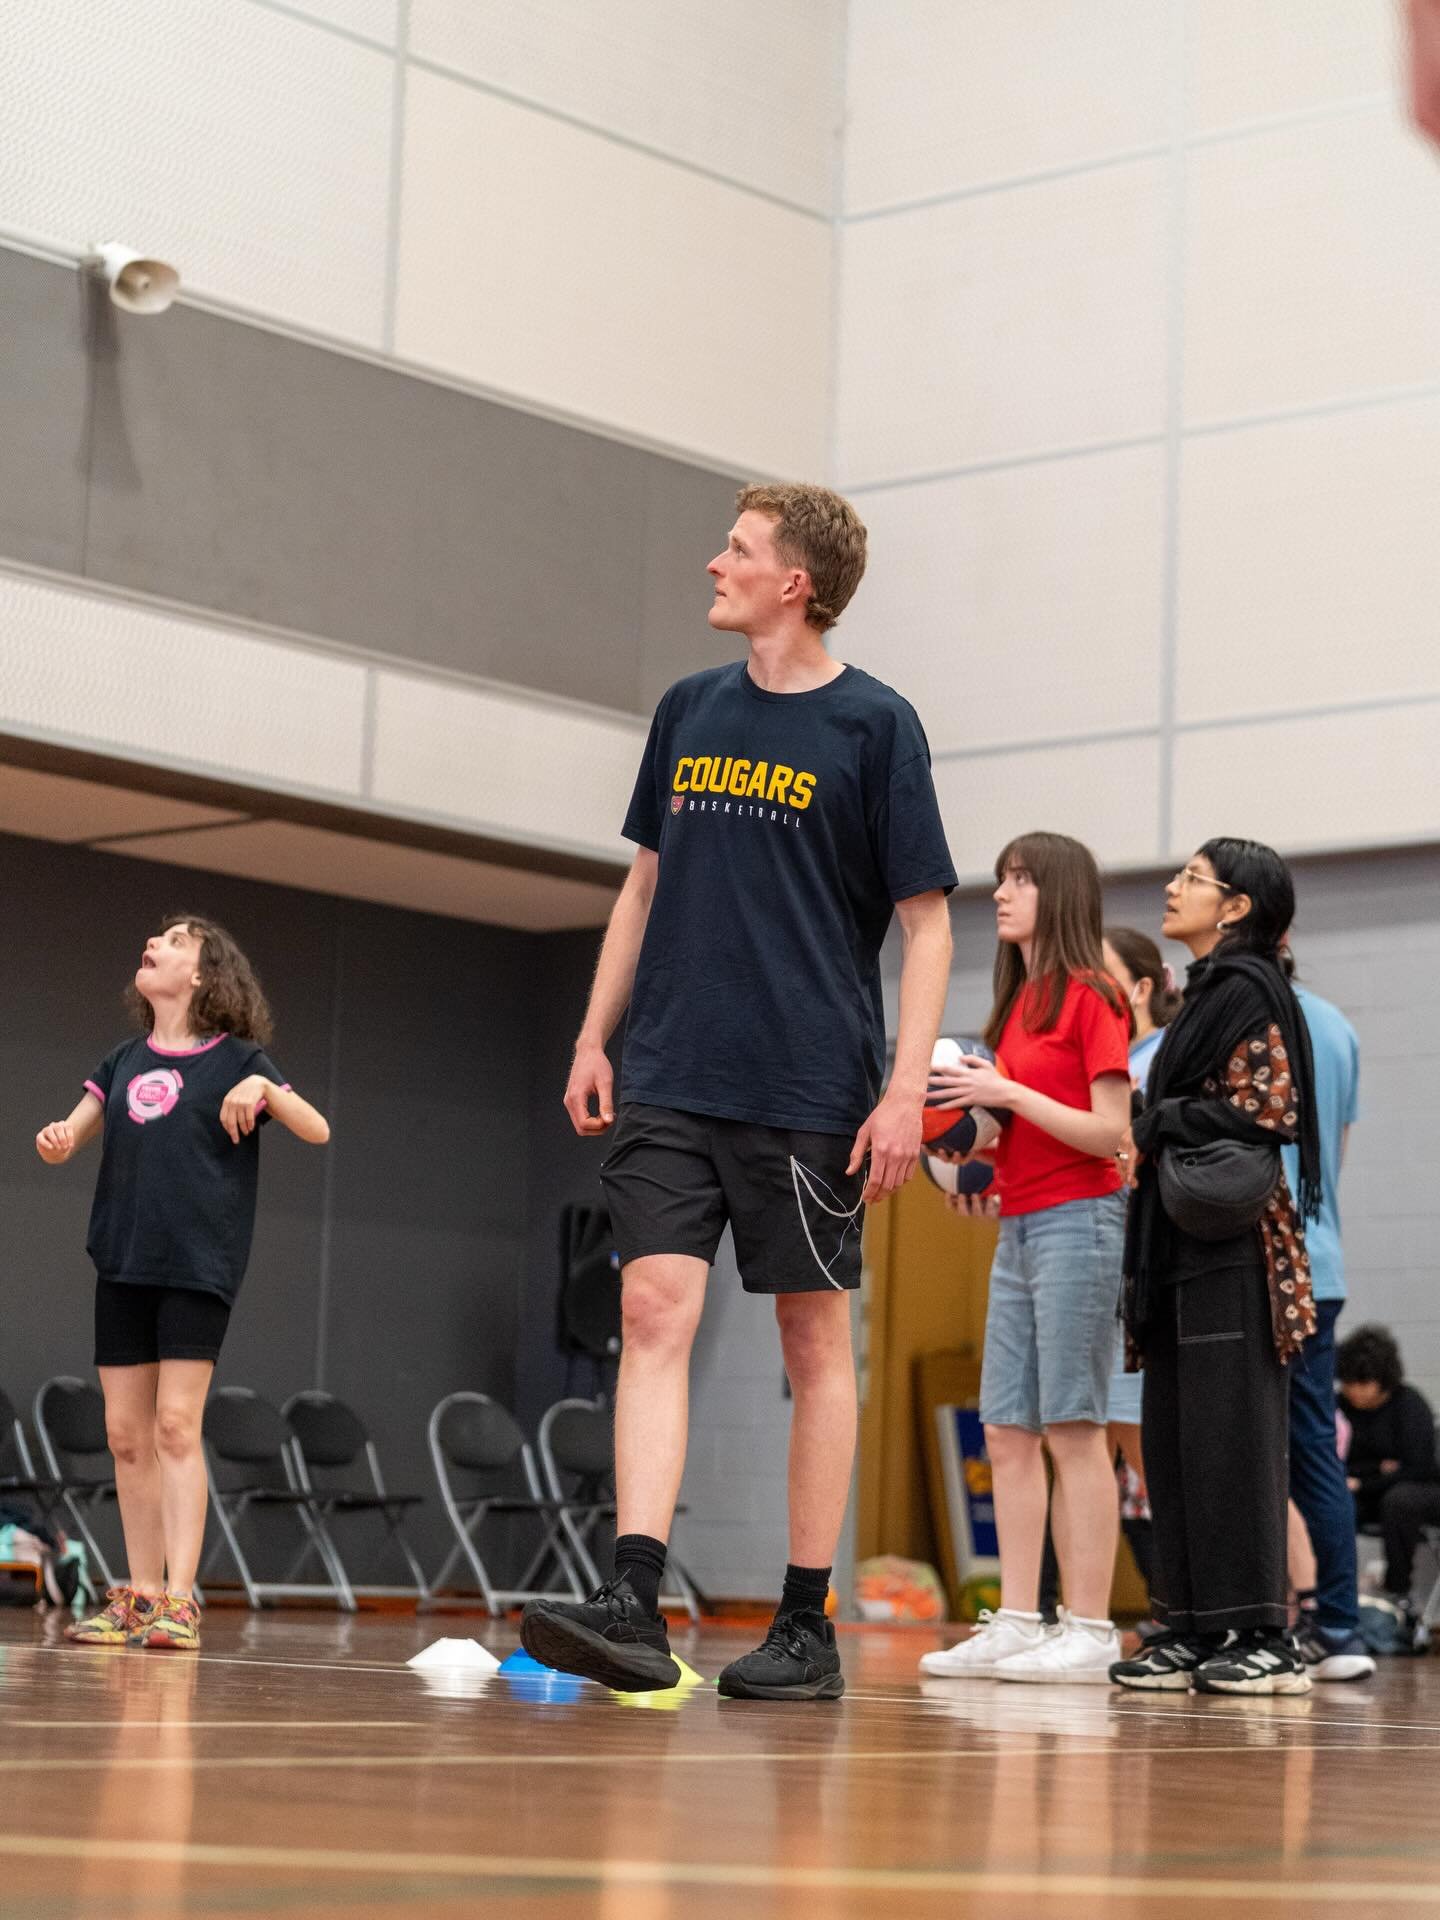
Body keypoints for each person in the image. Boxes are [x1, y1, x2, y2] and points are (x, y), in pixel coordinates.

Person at [520, 482, 957, 1701]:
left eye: (740, 551)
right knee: (654, 1313)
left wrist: (902, 1091)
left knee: (810, 1337)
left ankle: (806, 1622)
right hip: (666, 1070)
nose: (716, 564)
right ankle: (631, 1597)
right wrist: (593, 1035)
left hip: (811, 1084)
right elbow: (644, 889)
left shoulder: (877, 727)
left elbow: (927, 929)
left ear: (794, 584)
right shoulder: (687, 709)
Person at [36, 915, 330, 1653]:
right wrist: (61, 1138)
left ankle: (179, 1599)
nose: (156, 944)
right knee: (125, 1435)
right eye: (155, 938)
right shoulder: (123, 1059)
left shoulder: (238, 1060)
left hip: (197, 1265)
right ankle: (136, 1595)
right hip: (123, 1261)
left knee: (175, 1425)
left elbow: (316, 1128)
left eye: (175, 940)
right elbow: (75, 1130)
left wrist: (265, 1086)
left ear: (201, 973)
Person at [920, 832, 1131, 1684]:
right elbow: (1016, 1138)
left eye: (1019, 880)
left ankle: (1089, 1624)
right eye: (1002, 878)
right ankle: (1016, 1616)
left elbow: (1110, 1134)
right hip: (1024, 1223)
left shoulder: (1093, 994)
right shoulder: (1015, 1004)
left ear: (1061, 892)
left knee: (1075, 1427)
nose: (1001, 893)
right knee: (1007, 1428)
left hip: (1083, 1222)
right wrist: (976, 1177)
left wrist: (1003, 1090)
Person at [1111, 840, 1321, 1696]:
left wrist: (1158, 1121)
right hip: (1177, 1242)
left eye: (1192, 879)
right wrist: (1160, 1120)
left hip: (1233, 1246)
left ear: (1234, 907)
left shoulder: (1250, 992)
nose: (1172, 887)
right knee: (1177, 1439)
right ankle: (1193, 1626)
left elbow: (1269, 1110)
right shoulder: (1203, 994)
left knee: (1233, 1442)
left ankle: (1263, 1632)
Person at [1281, 978, 1374, 1682]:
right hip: (1324, 1255)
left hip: (1272, 1263)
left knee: (1277, 1449)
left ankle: (1298, 1620)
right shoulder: (1338, 1024)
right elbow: (1333, 1157)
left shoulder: (1246, 1012)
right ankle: (1338, 1624)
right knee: (1313, 1449)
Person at [1337, 1324, 1440, 1625]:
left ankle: (1399, 1591)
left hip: (1414, 1491)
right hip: (1363, 1491)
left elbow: (1420, 1467)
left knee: (1399, 1500)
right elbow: (1337, 1460)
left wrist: (1364, 1480)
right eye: (1348, 1381)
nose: (1353, 1389)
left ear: (1383, 1380)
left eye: (1363, 1381)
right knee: (1334, 1502)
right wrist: (1377, 1468)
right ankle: (1332, 1592)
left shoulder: (1409, 1404)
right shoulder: (1339, 1406)